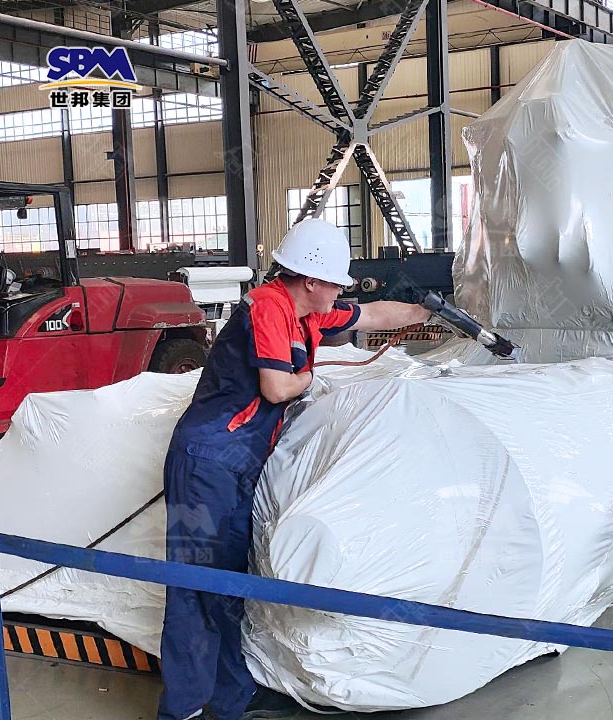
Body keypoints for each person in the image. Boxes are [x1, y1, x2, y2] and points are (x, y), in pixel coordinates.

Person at [157, 219, 432, 720]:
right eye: (336, 283)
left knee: (226, 586)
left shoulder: (308, 313)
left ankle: (230, 698)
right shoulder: (267, 305)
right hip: (207, 462)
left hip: (236, 463)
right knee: (195, 586)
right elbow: (277, 387)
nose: (341, 292)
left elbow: (371, 314)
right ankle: (183, 710)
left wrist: (429, 311)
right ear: (310, 280)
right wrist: (310, 377)